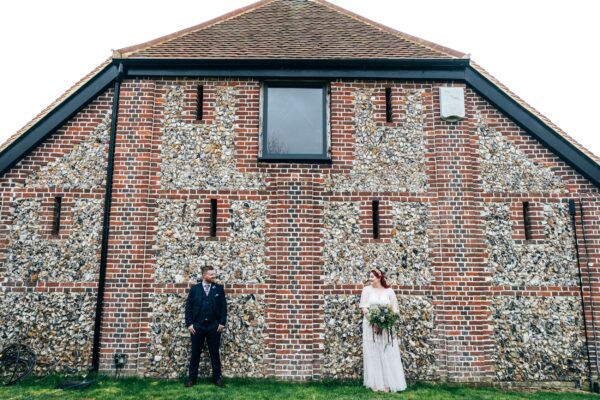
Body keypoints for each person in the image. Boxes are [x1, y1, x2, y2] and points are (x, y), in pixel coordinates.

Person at [359, 267, 407, 392]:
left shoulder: (389, 291)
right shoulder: (366, 290)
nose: (370, 279)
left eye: (372, 276)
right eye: (369, 276)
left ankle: (388, 383)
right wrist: (374, 322)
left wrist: (386, 321)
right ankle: (375, 383)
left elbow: (395, 309)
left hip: (386, 327)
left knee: (386, 352)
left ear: (379, 277)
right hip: (370, 327)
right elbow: (364, 308)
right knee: (374, 352)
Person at [184, 265, 227, 388]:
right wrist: (189, 324)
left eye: (214, 274)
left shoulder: (219, 289)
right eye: (211, 274)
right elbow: (188, 308)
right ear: (204, 276)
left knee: (215, 354)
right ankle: (191, 379)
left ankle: (217, 379)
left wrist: (222, 322)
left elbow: (224, 307)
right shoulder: (194, 290)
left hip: (214, 327)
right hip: (197, 327)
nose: (214, 276)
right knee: (195, 354)